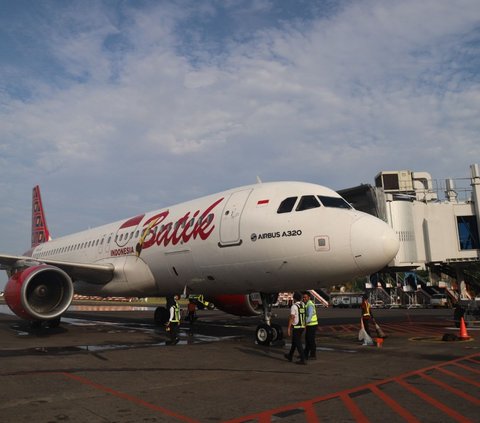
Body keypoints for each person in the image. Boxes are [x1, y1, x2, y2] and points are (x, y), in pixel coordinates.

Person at [284, 291, 307, 365]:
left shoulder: (294, 306)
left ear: (294, 298)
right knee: (294, 342)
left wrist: (288, 328)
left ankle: (303, 359)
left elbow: (292, 317)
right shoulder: (303, 304)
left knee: (298, 343)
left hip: (296, 327)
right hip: (302, 326)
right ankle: (290, 355)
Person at [303, 292, 318, 360]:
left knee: (310, 340)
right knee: (307, 339)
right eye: (303, 297)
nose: (304, 298)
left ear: (309, 297)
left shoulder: (309, 305)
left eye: (305, 297)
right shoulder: (308, 304)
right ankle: (305, 354)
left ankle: (313, 355)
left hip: (312, 325)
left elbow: (310, 315)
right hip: (311, 325)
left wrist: (305, 323)